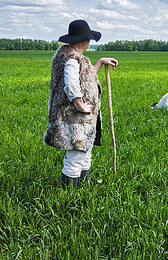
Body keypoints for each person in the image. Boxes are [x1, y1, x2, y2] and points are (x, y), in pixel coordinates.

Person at [44, 20, 118, 189]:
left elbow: (83, 77)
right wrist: (80, 105)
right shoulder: (71, 58)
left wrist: (99, 62)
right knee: (76, 156)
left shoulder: (72, 56)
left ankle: (81, 191)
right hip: (74, 117)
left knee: (84, 153)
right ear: (83, 40)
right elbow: (70, 84)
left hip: (79, 118)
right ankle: (69, 197)